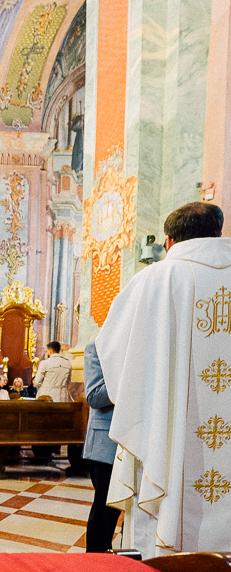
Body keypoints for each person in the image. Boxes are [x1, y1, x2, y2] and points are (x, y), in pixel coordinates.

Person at [96, 202, 230, 558]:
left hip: (167, 443)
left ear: (169, 240)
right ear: (218, 232)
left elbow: (113, 351)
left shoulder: (153, 280)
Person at [81, 342, 120, 553]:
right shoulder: (97, 347)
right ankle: (95, 560)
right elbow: (94, 396)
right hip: (106, 442)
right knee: (106, 508)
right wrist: (129, 376)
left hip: (138, 438)